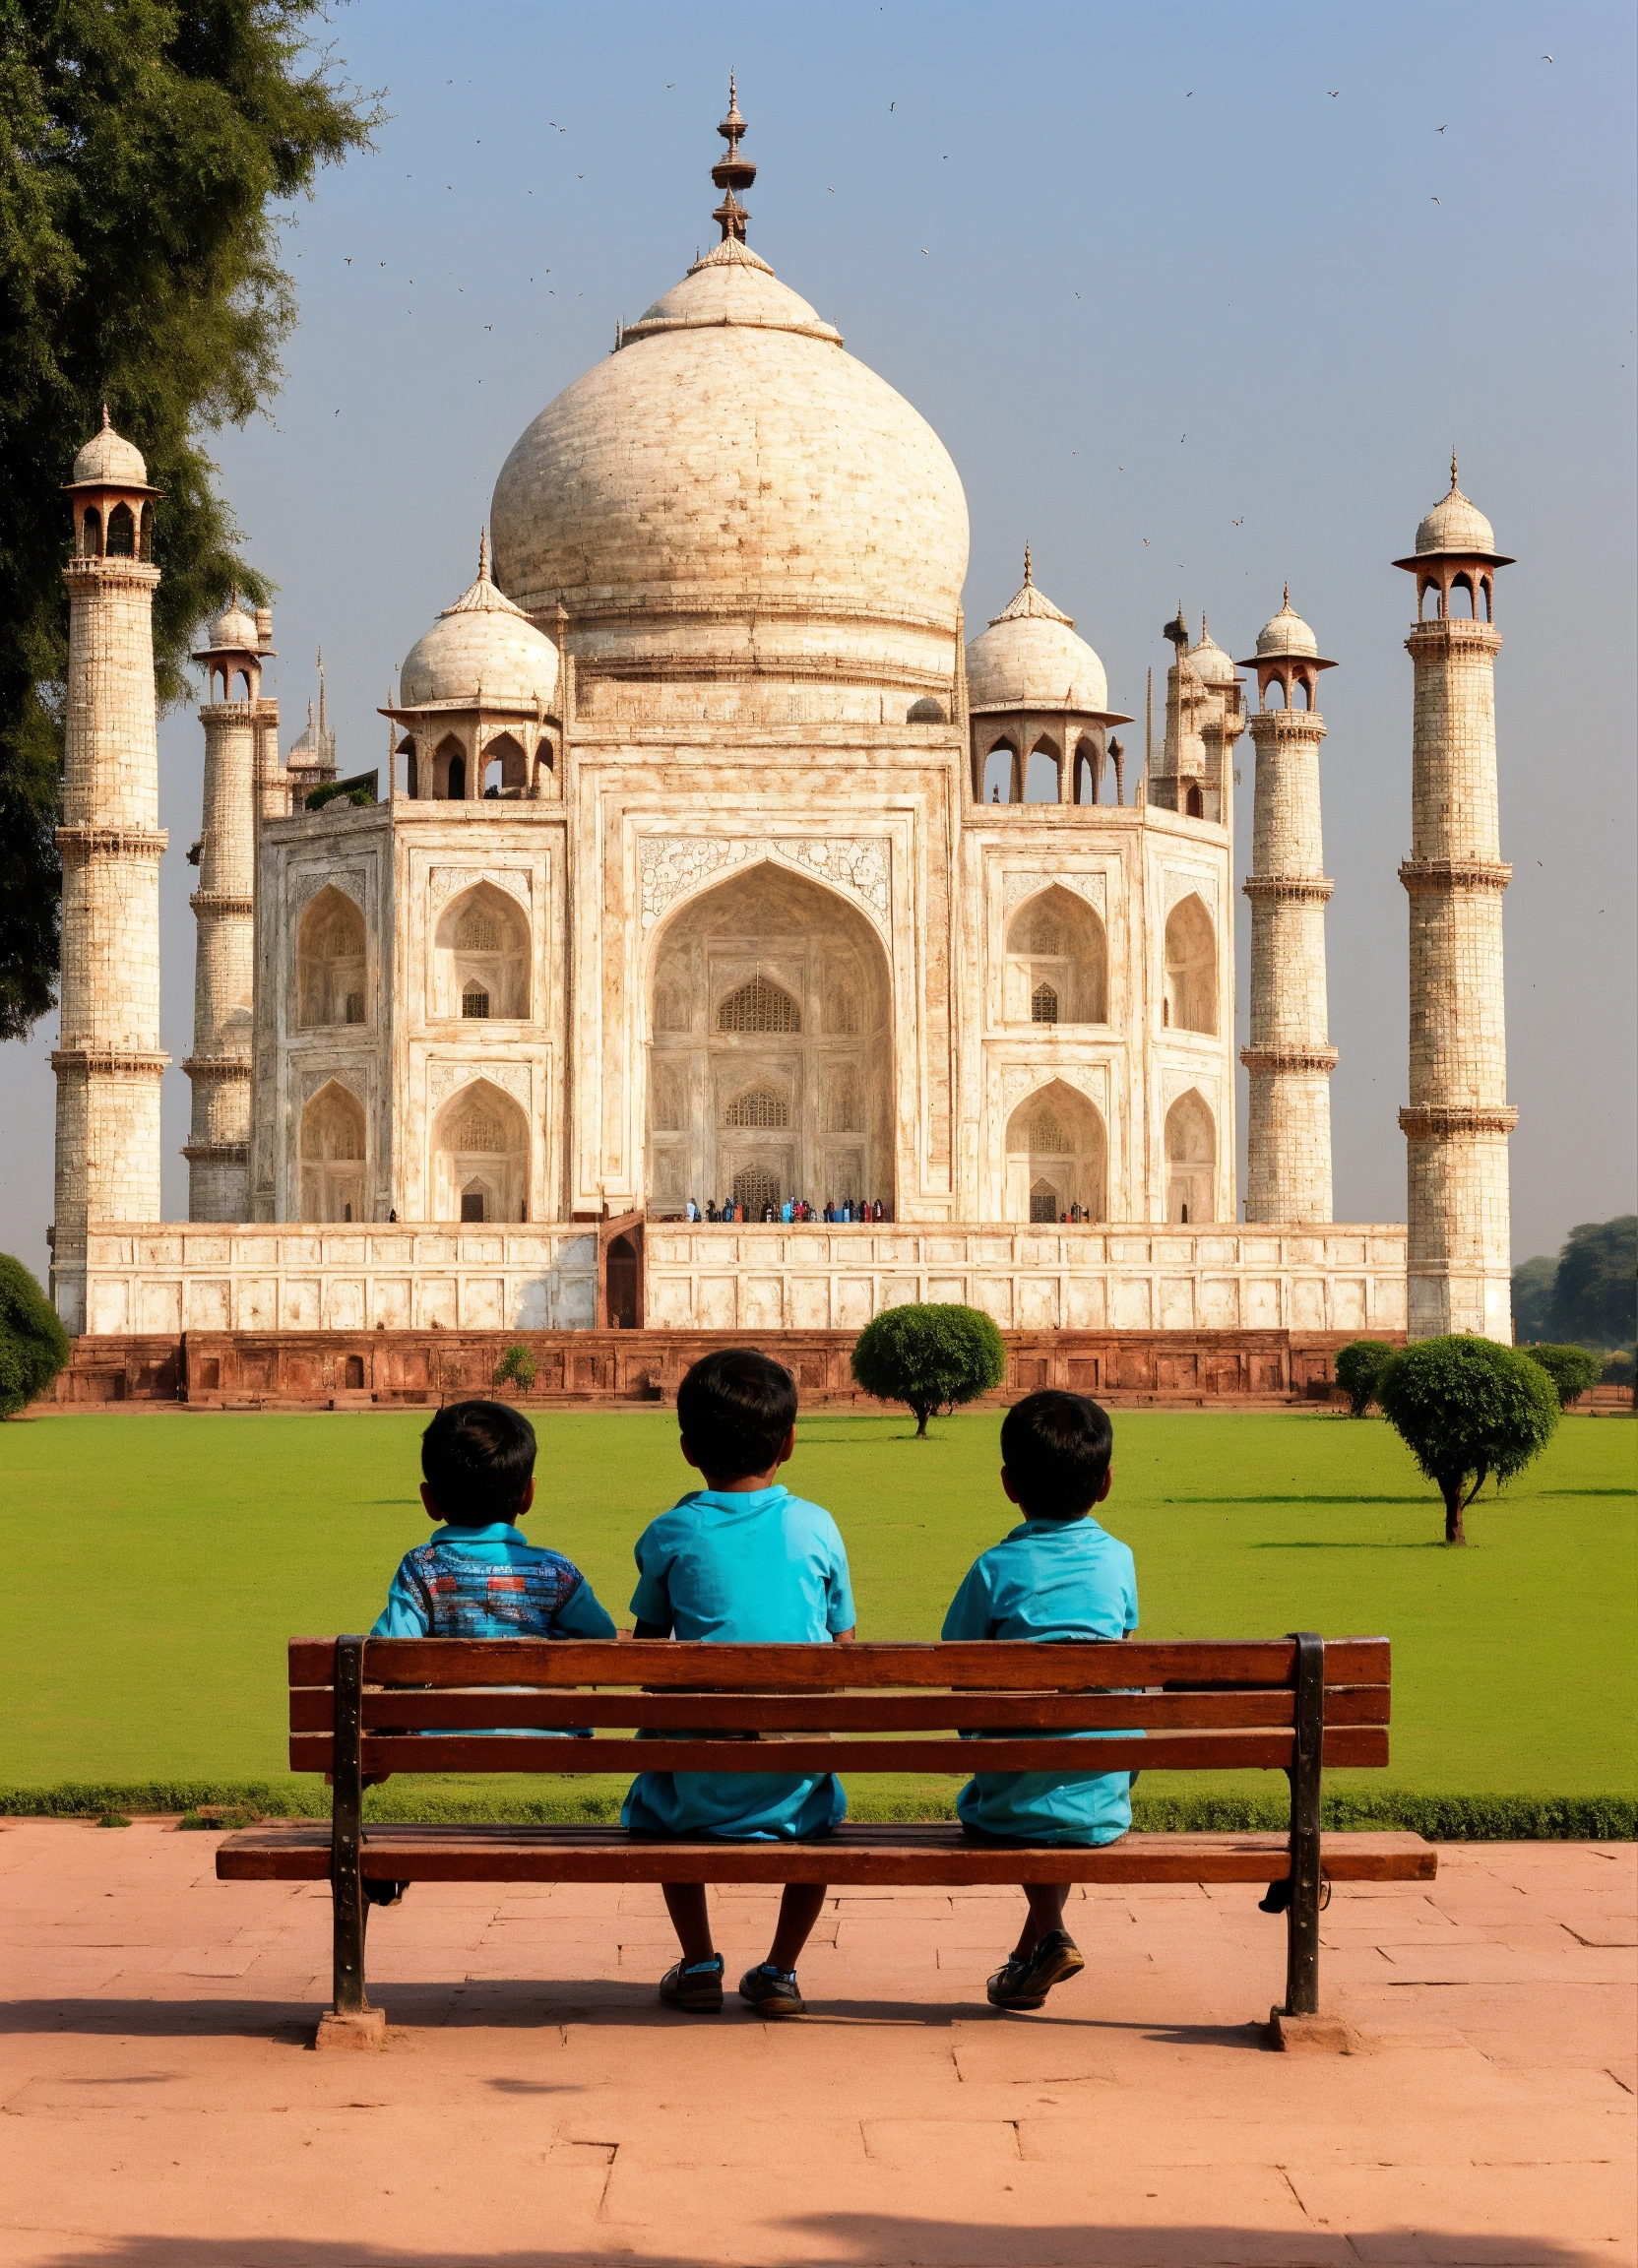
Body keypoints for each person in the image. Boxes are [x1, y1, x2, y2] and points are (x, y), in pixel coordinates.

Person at [623, 1349, 855, 2019]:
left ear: (689, 1447)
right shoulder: (817, 1526)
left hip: (692, 1789)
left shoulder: (671, 1530)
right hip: (795, 1788)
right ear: (788, 1442)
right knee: (819, 1810)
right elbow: (841, 1648)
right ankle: (781, 1968)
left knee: (661, 1764)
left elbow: (646, 1653)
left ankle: (699, 1961)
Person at [368, 1399, 619, 1904]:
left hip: (445, 1737)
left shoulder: (421, 1569)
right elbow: (605, 1640)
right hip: (550, 1736)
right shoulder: (555, 1571)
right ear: (527, 1495)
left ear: (429, 1500)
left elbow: (390, 1658)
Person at [940, 1391, 1138, 2013]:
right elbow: (1123, 1648)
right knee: (1077, 1756)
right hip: (1101, 1797)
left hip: (1011, 1799)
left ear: (1008, 1484)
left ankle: (1045, 1939)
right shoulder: (1118, 1561)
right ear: (1105, 1483)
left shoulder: (995, 1568)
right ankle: (1034, 1952)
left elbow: (956, 1667)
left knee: (1032, 1765)